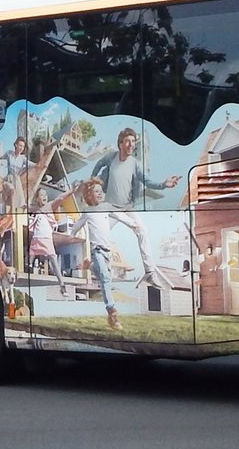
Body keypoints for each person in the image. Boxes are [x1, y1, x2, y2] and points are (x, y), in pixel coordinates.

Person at [88, 127, 180, 281]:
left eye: (133, 142)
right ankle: (93, 266)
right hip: (110, 207)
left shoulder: (135, 164)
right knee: (98, 235)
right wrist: (93, 180)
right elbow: (98, 164)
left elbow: (147, 181)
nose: (131, 145)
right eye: (128, 141)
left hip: (127, 208)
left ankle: (149, 272)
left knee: (142, 231)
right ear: (120, 144)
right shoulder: (111, 157)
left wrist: (164, 184)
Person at [69, 178, 132, 329]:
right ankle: (112, 311)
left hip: (106, 251)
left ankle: (89, 266)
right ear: (89, 195)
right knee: (105, 278)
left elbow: (119, 215)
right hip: (96, 250)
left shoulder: (106, 207)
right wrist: (72, 234)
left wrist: (132, 224)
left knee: (105, 277)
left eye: (101, 191)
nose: (100, 194)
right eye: (96, 191)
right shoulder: (88, 212)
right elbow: (78, 225)